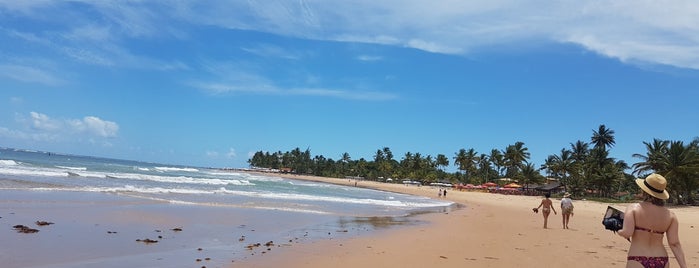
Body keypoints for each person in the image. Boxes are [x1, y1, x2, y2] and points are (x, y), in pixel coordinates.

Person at [617, 174, 687, 268]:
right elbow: (674, 243)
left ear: (644, 190)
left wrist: (618, 229)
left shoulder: (633, 208)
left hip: (638, 258)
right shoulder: (671, 215)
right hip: (661, 259)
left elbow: (627, 233)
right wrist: (684, 266)